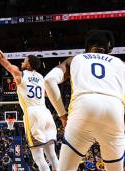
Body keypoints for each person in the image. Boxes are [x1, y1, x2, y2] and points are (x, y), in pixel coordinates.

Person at [44, 30, 125, 171]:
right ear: (109, 48)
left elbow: (49, 80)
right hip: (114, 110)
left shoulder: (75, 59)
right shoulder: (120, 63)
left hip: (83, 108)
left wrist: (62, 115)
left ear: (87, 47)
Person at [0, 28, 59, 171]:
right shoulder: (41, 78)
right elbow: (48, 94)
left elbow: (1, 58)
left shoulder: (20, 74)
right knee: (52, 155)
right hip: (46, 113)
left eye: (24, 60)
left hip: (33, 113)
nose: (22, 62)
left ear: (28, 65)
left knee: (38, 157)